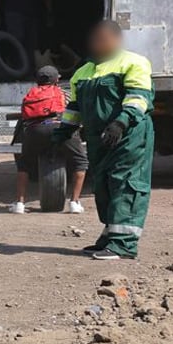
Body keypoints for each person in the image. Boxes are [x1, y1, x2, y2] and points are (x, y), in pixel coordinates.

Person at [53, 20, 154, 261]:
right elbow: (75, 106)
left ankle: (124, 244)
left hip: (129, 136)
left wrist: (120, 122)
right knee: (104, 186)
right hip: (99, 140)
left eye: (103, 38)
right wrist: (64, 130)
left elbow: (138, 97)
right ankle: (110, 235)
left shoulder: (133, 62)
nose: (98, 43)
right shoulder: (83, 71)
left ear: (116, 40)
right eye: (95, 39)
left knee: (125, 184)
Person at [9, 64, 87, 214]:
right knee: (81, 162)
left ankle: (19, 203)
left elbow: (25, 116)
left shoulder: (31, 93)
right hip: (60, 128)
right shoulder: (63, 93)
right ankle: (74, 203)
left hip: (35, 130)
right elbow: (76, 110)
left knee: (24, 164)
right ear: (56, 80)